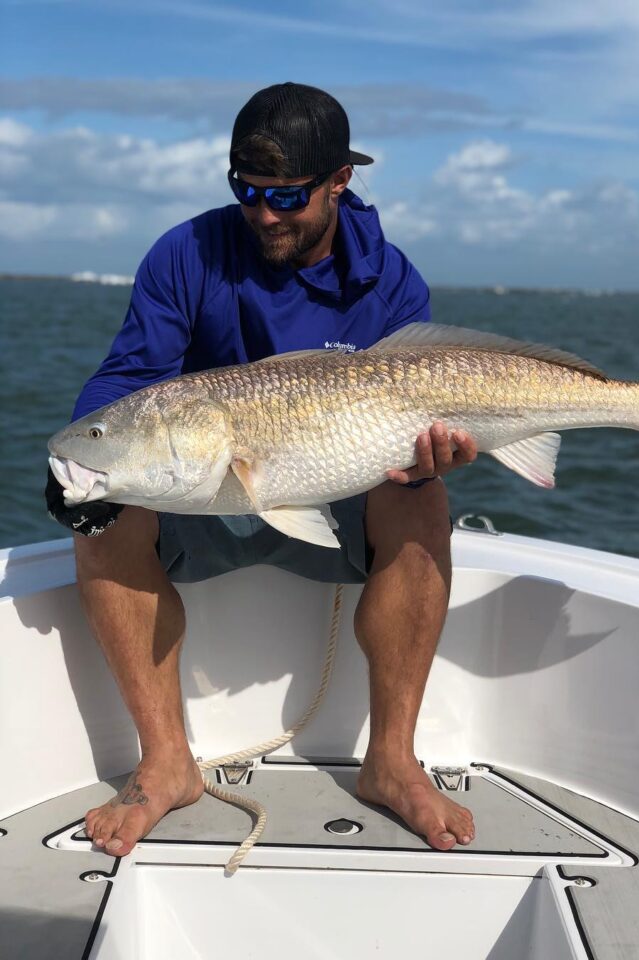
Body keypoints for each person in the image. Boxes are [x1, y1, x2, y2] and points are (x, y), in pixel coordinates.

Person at [46, 82, 478, 857]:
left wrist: (431, 457)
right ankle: (166, 763)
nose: (265, 213)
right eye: (247, 191)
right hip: (206, 493)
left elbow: (426, 406)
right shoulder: (187, 252)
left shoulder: (391, 281)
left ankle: (391, 760)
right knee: (101, 516)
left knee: (424, 499)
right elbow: (127, 377)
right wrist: (79, 466)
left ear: (340, 181)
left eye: (287, 195)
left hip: (338, 493)